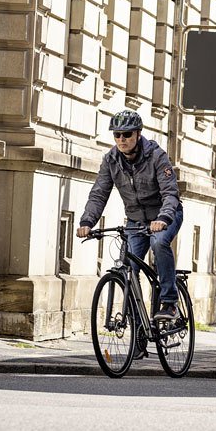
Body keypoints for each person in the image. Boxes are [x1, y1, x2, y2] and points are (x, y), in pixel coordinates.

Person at [77, 109, 183, 320]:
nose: (121, 139)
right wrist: (87, 221)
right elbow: (99, 193)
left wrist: (163, 218)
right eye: (117, 135)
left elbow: (170, 193)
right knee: (129, 269)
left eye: (126, 134)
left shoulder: (156, 156)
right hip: (135, 221)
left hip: (165, 216)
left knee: (159, 243)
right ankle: (139, 330)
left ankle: (169, 302)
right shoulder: (111, 160)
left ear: (138, 134)